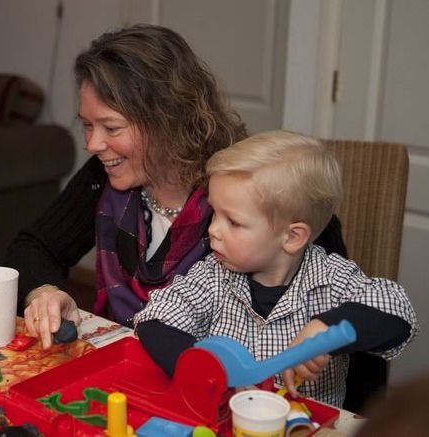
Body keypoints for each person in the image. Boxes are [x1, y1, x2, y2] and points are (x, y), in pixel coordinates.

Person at [4, 24, 346, 349]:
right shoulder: (102, 177)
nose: (93, 144)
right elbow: (34, 247)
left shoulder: (251, 187)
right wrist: (43, 292)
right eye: (87, 125)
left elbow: (344, 317)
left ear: (167, 120)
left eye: (111, 127)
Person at [133, 130, 418, 407]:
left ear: (292, 237)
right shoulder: (213, 274)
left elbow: (399, 311)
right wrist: (209, 371)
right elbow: (155, 319)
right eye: (214, 213)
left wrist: (324, 329)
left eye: (233, 221)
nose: (213, 230)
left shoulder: (331, 279)